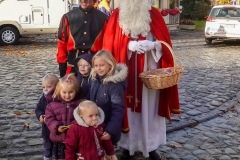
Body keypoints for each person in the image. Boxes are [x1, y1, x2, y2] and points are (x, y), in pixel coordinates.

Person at [91, 0, 180, 159]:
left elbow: (165, 43)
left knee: (150, 109)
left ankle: (151, 145)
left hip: (150, 71)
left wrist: (153, 46)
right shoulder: (117, 15)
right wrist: (127, 46)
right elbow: (109, 44)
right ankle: (128, 145)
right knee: (126, 109)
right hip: (125, 73)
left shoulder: (154, 13)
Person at [56, 0, 108, 77]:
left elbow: (107, 45)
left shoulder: (103, 18)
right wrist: (62, 66)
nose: (83, 0)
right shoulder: (68, 17)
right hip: (73, 66)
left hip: (95, 67)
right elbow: (62, 43)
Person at [90, 50, 128, 145]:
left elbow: (118, 110)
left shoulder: (115, 85)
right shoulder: (94, 80)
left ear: (110, 65)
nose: (98, 68)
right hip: (95, 123)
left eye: (102, 65)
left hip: (107, 127)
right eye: (96, 66)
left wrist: (110, 130)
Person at [45, 73, 81, 160]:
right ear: (59, 91)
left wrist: (74, 126)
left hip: (76, 140)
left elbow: (82, 118)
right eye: (64, 92)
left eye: (71, 92)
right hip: (60, 140)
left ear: (76, 91)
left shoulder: (80, 104)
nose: (67, 95)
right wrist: (57, 127)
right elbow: (49, 119)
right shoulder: (52, 105)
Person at [35, 74, 59, 160]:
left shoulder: (59, 97)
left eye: (48, 86)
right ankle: (47, 156)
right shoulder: (43, 98)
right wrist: (40, 115)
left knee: (58, 145)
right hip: (46, 129)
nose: (45, 89)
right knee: (47, 144)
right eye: (43, 87)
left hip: (57, 128)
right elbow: (38, 108)